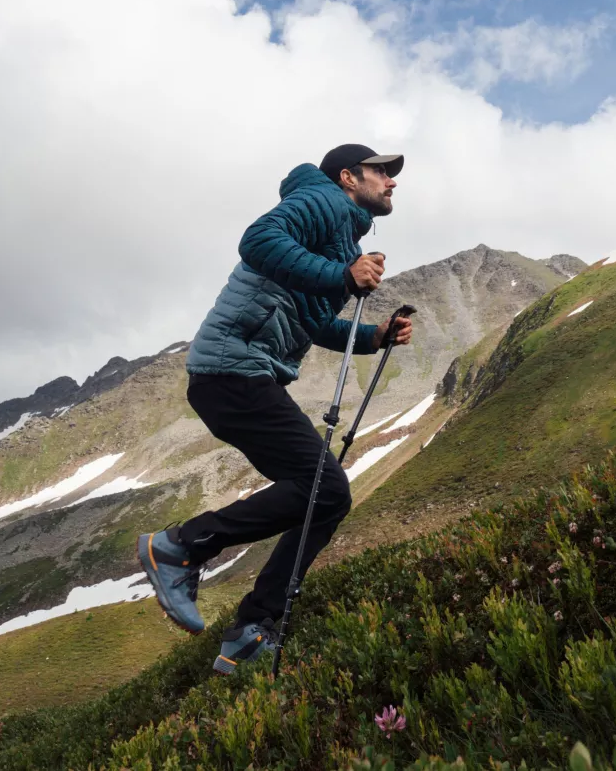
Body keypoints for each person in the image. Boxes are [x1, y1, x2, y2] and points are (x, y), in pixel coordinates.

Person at [138, 143, 412, 674]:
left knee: (325, 497)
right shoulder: (324, 201)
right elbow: (258, 240)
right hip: (232, 367)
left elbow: (313, 320)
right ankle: (180, 547)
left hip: (240, 375)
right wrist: (343, 276)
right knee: (326, 488)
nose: (392, 180)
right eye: (381, 171)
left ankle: (253, 629)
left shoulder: (342, 235)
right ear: (348, 177)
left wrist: (373, 337)